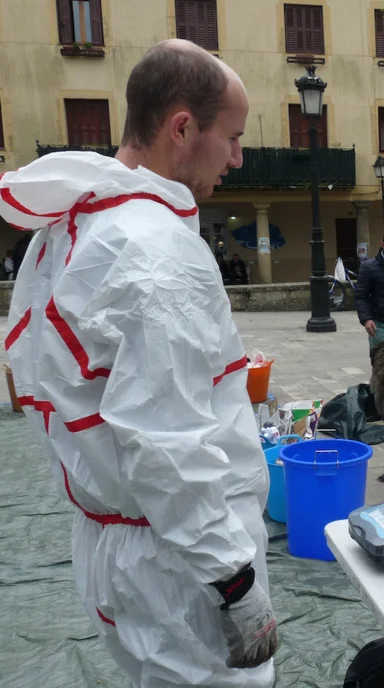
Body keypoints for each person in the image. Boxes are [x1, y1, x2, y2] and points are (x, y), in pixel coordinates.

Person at [0, 40, 278, 686]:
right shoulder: (155, 254)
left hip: (129, 547)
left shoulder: (75, 225)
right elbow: (166, 440)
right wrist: (234, 581)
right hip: (180, 567)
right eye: (232, 138)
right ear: (182, 128)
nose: (237, 158)